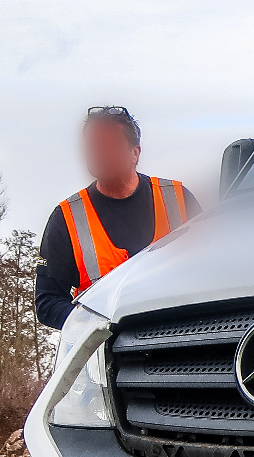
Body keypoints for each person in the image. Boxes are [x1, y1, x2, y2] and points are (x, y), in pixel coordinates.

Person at [35, 106, 198, 330]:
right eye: (92, 145)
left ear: (135, 152)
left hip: (178, 343)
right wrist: (95, 326)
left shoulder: (179, 199)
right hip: (106, 355)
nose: (97, 152)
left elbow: (211, 270)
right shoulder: (67, 217)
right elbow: (48, 303)